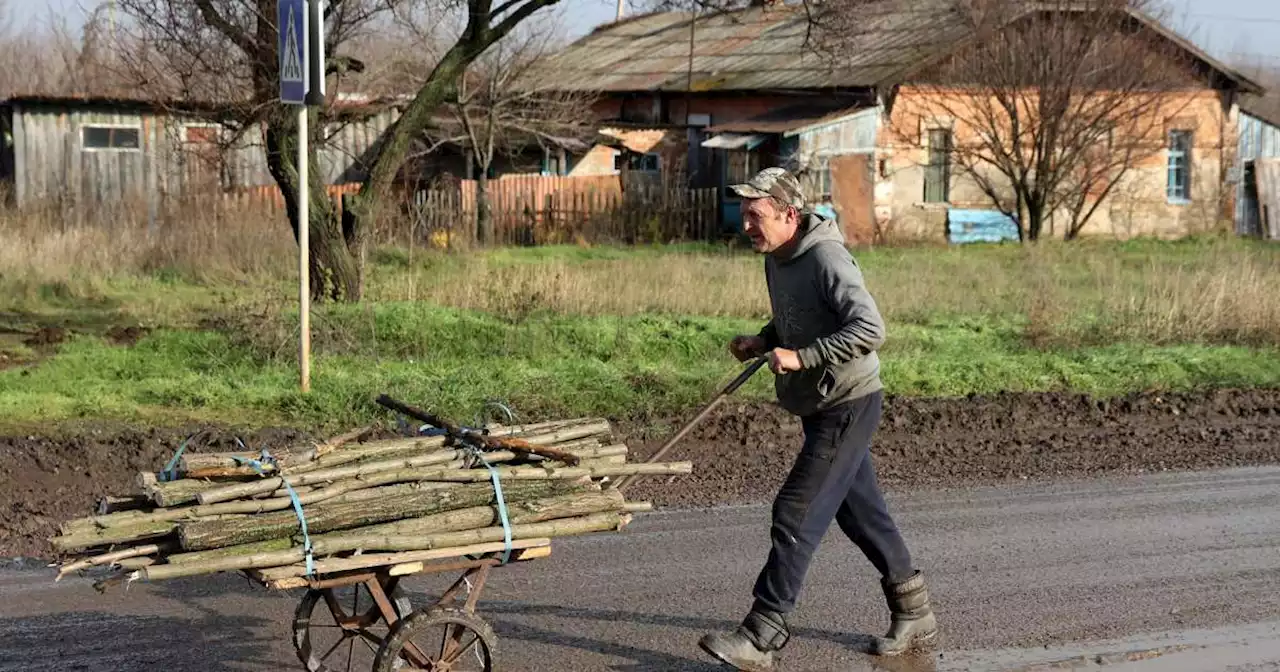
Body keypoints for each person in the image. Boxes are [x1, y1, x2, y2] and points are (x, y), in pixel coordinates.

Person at [698, 167, 937, 671]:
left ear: (789, 214)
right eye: (745, 214)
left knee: (795, 511)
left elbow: (870, 328)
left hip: (848, 402)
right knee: (861, 514)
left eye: (756, 215)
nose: (746, 225)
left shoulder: (826, 256)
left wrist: (803, 358)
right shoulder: (778, 256)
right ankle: (914, 613)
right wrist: (765, 341)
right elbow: (801, 315)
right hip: (820, 403)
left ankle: (763, 633)